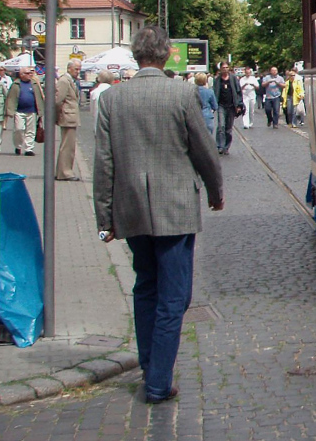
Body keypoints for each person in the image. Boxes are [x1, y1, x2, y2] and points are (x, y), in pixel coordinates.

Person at [93, 25, 224, 404]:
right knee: (174, 295)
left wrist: (105, 217)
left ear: (137, 56)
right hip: (176, 209)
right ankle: (157, 382)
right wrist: (216, 192)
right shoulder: (182, 93)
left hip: (131, 207)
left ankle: (151, 368)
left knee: (145, 287)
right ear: (166, 54)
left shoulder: (111, 100)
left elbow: (104, 163)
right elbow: (203, 150)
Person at [54, 59, 82, 180]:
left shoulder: (70, 80)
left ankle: (63, 171)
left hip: (70, 116)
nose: (78, 71)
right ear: (69, 68)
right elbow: (57, 100)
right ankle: (65, 172)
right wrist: (58, 116)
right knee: (67, 147)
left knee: (69, 146)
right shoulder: (64, 81)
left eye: (79, 69)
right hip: (67, 116)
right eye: (76, 69)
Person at [5, 67, 43, 156]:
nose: (30, 75)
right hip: (19, 111)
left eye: (30, 73)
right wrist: (9, 110)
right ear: (21, 75)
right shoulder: (16, 84)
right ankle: (18, 146)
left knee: (31, 130)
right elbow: (10, 98)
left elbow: (39, 96)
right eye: (27, 73)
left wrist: (40, 110)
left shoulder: (34, 84)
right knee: (19, 129)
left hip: (32, 110)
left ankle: (29, 149)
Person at [212, 61, 240, 155]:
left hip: (231, 106)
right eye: (223, 68)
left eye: (227, 67)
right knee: (221, 126)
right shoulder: (217, 80)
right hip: (221, 105)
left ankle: (226, 147)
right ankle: (220, 146)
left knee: (228, 128)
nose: (225, 69)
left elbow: (238, 91)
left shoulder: (233, 78)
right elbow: (214, 92)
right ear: (220, 69)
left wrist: (239, 105)